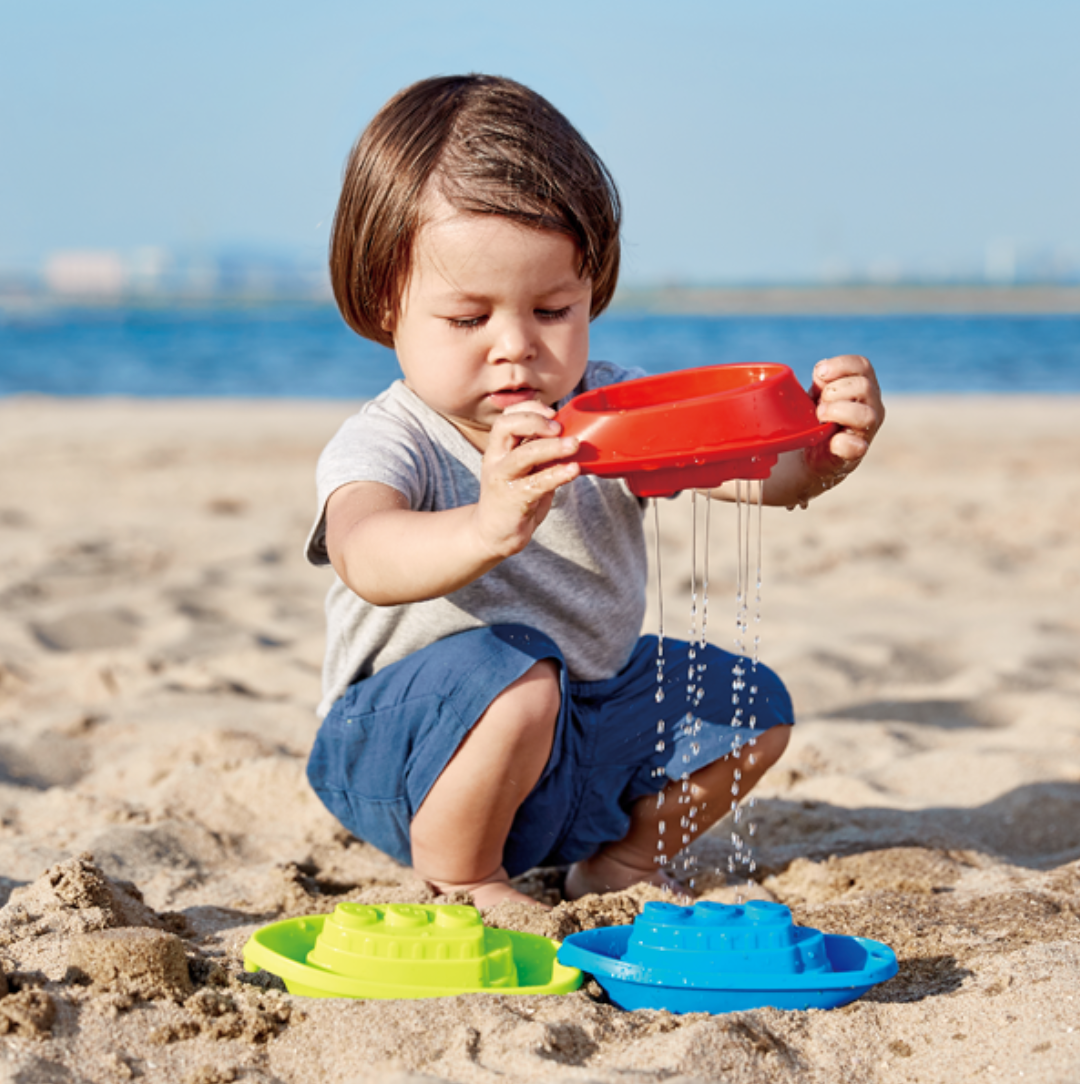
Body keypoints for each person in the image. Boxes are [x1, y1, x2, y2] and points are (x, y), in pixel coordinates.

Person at [304, 74, 885, 908]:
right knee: (519, 679)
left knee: (753, 707)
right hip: (409, 747)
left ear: (592, 289)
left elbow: (751, 474)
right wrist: (484, 524)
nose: (516, 347)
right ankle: (462, 878)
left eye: (551, 308)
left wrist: (823, 456)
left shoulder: (605, 411)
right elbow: (366, 551)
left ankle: (617, 865)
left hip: (581, 735)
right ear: (383, 303)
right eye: (468, 320)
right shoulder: (393, 437)